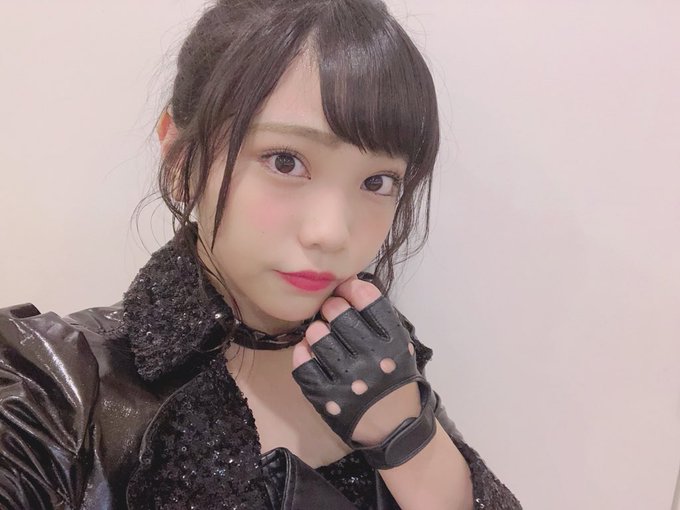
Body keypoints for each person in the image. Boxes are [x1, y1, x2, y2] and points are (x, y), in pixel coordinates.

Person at [0, 1, 522, 508]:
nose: (331, 233)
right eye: (285, 161)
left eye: (378, 181)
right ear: (181, 158)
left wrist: (406, 438)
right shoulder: (54, 387)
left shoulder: (373, 353)